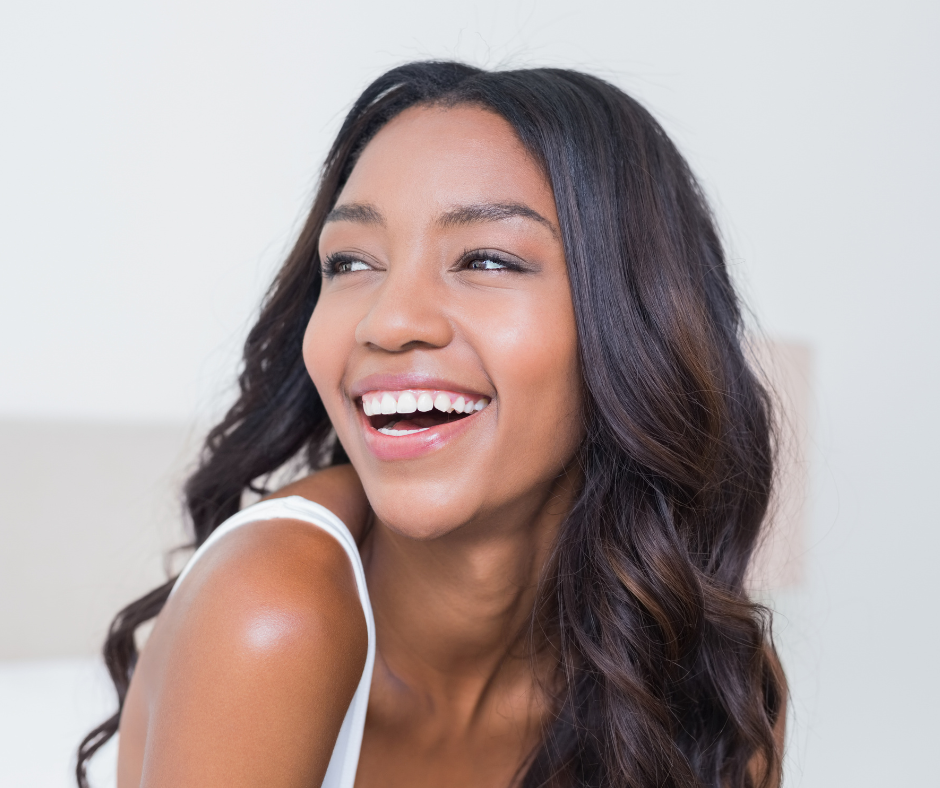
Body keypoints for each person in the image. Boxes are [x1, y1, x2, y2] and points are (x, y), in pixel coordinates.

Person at [78, 61, 786, 788]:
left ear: (638, 323)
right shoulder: (272, 612)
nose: (389, 321)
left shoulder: (707, 677)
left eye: (485, 258)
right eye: (350, 262)